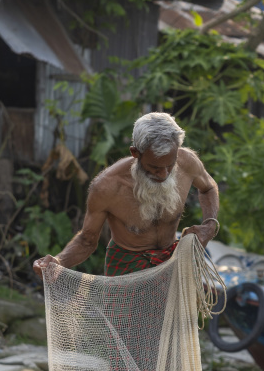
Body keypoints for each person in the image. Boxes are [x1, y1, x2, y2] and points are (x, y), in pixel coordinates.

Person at [33, 112, 220, 278]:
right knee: (121, 320)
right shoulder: (107, 187)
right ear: (135, 153)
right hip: (126, 271)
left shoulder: (187, 162)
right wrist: (58, 262)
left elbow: (208, 187)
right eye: (154, 167)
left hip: (173, 266)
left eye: (170, 166)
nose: (163, 175)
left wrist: (209, 225)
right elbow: (86, 241)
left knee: (175, 318)